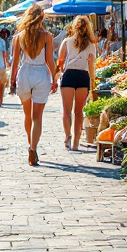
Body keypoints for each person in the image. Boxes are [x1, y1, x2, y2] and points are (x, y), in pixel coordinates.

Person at [10, 4, 56, 166]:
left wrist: (12, 80)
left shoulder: (19, 37)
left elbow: (15, 62)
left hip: (25, 73)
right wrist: (55, 79)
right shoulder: (47, 36)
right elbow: (49, 60)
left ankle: (30, 144)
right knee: (37, 117)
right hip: (41, 74)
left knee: (27, 115)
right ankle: (32, 148)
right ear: (41, 18)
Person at [56, 16, 97, 151]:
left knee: (66, 111)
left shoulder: (67, 42)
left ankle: (67, 137)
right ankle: (76, 142)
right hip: (83, 76)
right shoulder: (91, 45)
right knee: (78, 112)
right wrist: (92, 80)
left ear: (74, 27)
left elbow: (60, 60)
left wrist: (61, 71)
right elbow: (91, 65)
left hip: (69, 75)